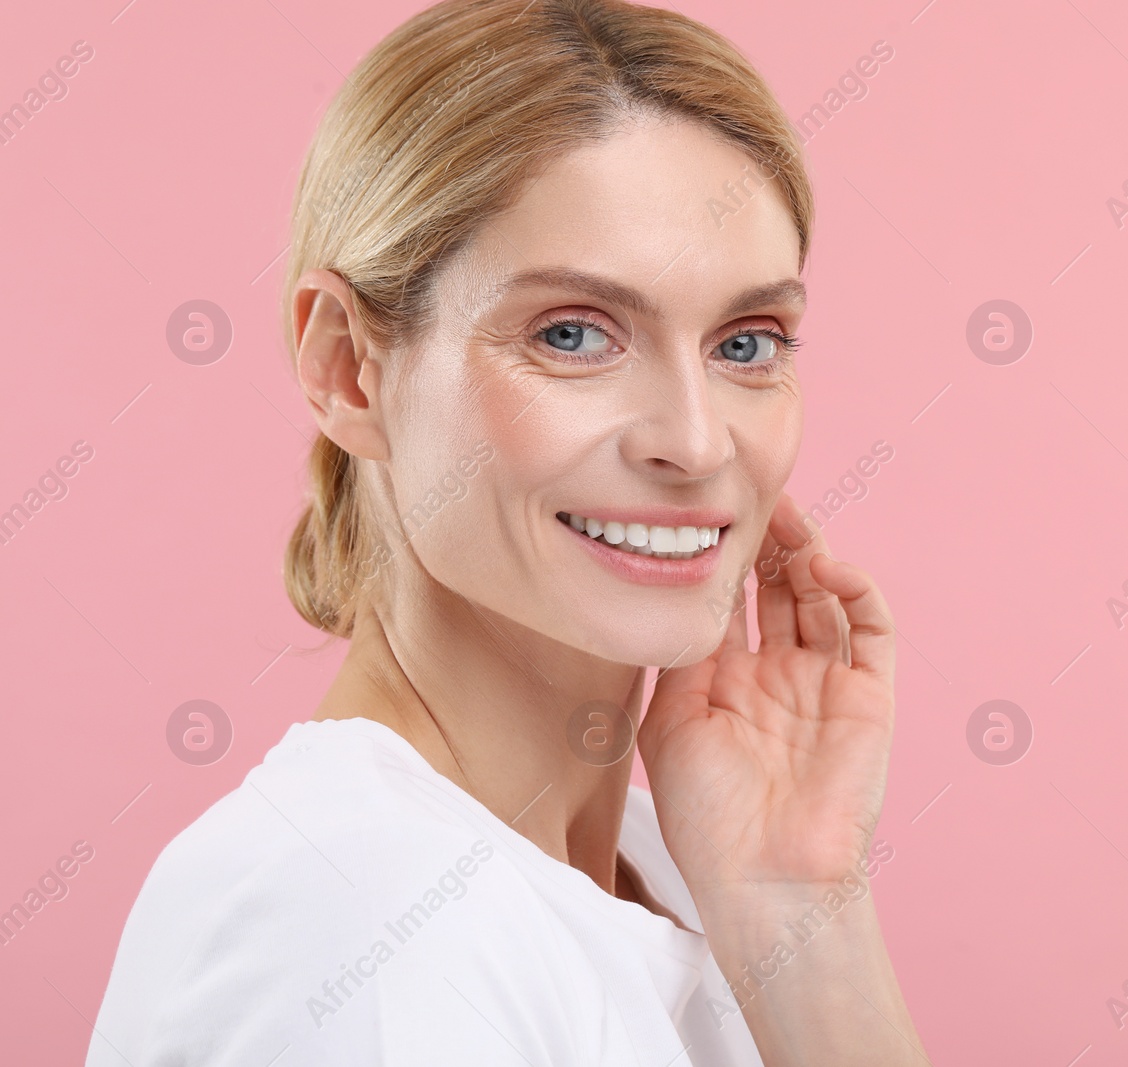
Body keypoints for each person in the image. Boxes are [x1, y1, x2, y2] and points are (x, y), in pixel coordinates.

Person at [85, 0, 927, 1063]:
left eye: (746, 342)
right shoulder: (356, 925)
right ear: (349, 367)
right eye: (574, 334)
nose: (697, 441)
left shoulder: (662, 865)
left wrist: (798, 908)